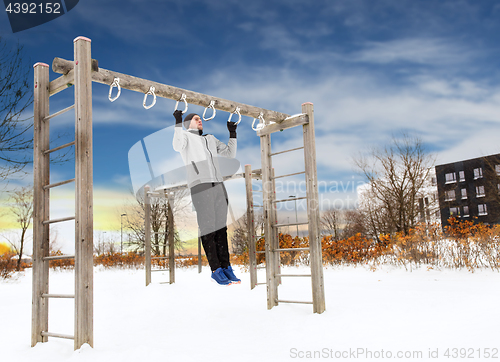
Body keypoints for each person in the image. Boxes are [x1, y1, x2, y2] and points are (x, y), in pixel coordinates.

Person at [172, 110, 241, 285]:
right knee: (208, 228)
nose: (200, 120)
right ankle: (216, 269)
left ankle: (226, 267)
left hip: (218, 184)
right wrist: (178, 123)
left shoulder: (210, 139)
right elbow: (177, 145)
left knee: (221, 228)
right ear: (189, 124)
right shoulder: (186, 137)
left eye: (201, 118)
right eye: (196, 119)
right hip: (200, 185)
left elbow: (229, 154)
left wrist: (232, 133)